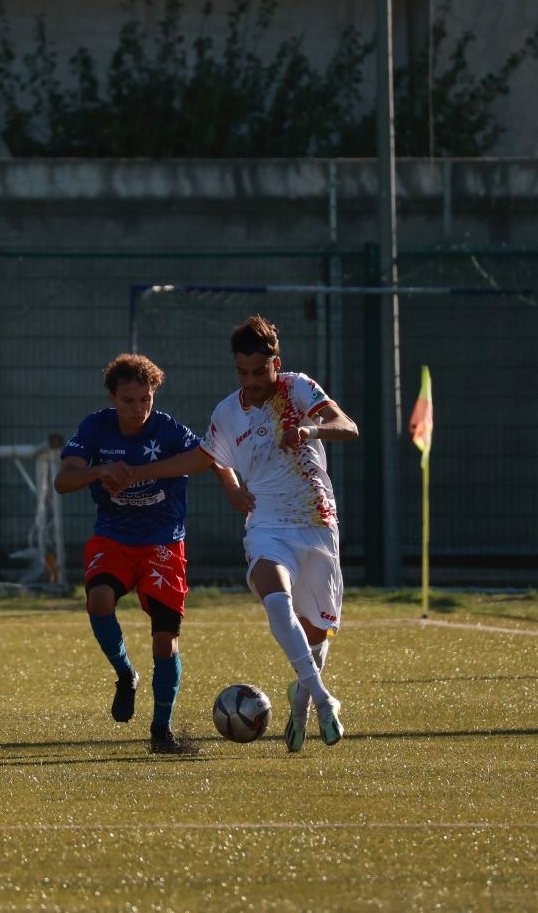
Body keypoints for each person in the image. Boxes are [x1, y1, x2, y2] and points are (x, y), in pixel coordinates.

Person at [113, 315, 357, 752]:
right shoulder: (228, 412)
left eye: (259, 372)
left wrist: (309, 429)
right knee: (276, 599)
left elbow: (347, 426)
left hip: (317, 522)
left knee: (317, 635)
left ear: (275, 363)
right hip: (266, 524)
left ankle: (300, 700)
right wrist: (139, 475)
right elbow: (202, 459)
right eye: (242, 373)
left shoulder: (297, 389)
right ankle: (323, 698)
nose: (251, 381)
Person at [54, 354, 202, 755]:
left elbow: (205, 457)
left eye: (145, 399)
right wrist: (99, 472)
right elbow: (63, 480)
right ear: (112, 397)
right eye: (128, 401)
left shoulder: (167, 428)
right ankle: (125, 675)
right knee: (98, 599)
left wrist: (140, 473)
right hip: (115, 537)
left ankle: (161, 730)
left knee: (164, 642)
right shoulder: (95, 426)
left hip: (163, 541)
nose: (138, 409)